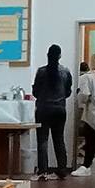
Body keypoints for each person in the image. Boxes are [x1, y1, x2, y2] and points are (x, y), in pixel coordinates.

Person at [32, 44, 72, 179]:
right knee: (59, 140)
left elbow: (35, 91)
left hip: (43, 109)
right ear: (60, 56)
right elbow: (68, 92)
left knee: (42, 141)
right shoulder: (65, 72)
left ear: (47, 55)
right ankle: (62, 170)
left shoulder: (41, 71)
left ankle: (43, 171)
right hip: (60, 109)